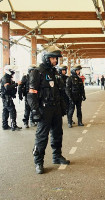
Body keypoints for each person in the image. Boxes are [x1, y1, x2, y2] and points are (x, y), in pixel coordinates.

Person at [27, 45, 70, 174]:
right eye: (53, 58)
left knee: (57, 134)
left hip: (55, 108)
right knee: (41, 137)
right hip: (44, 109)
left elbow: (59, 91)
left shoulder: (55, 72)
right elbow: (32, 93)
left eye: (56, 59)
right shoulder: (37, 72)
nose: (55, 61)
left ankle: (57, 156)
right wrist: (34, 111)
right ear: (46, 58)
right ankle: (38, 162)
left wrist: (63, 107)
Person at [1, 65, 22, 131]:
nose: (13, 72)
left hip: (6, 97)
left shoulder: (8, 77)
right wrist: (16, 84)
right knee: (12, 111)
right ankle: (14, 126)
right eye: (12, 71)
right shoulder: (5, 78)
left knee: (5, 111)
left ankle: (5, 125)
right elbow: (7, 88)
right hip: (7, 98)